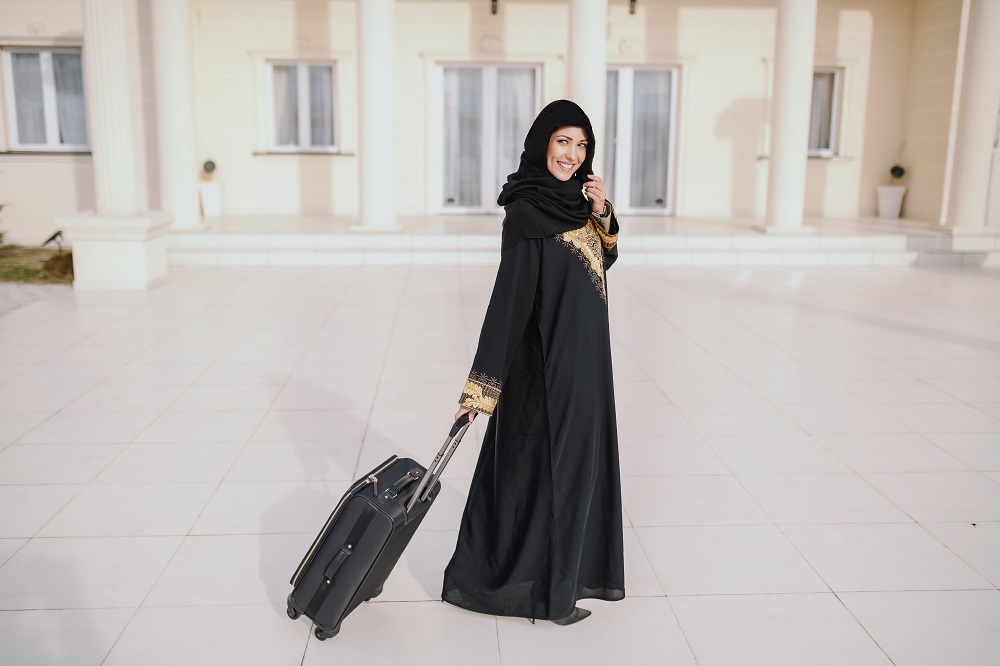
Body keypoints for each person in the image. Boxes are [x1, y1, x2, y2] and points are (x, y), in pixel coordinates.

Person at [441, 99, 624, 626]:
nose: (571, 154)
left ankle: (566, 579)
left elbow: (605, 256)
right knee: (550, 474)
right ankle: (548, 593)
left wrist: (602, 212)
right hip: (548, 368)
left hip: (589, 367)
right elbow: (509, 302)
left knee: (579, 473)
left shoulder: (578, 205)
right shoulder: (526, 213)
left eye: (581, 144)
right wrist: (481, 389)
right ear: (543, 141)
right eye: (563, 141)